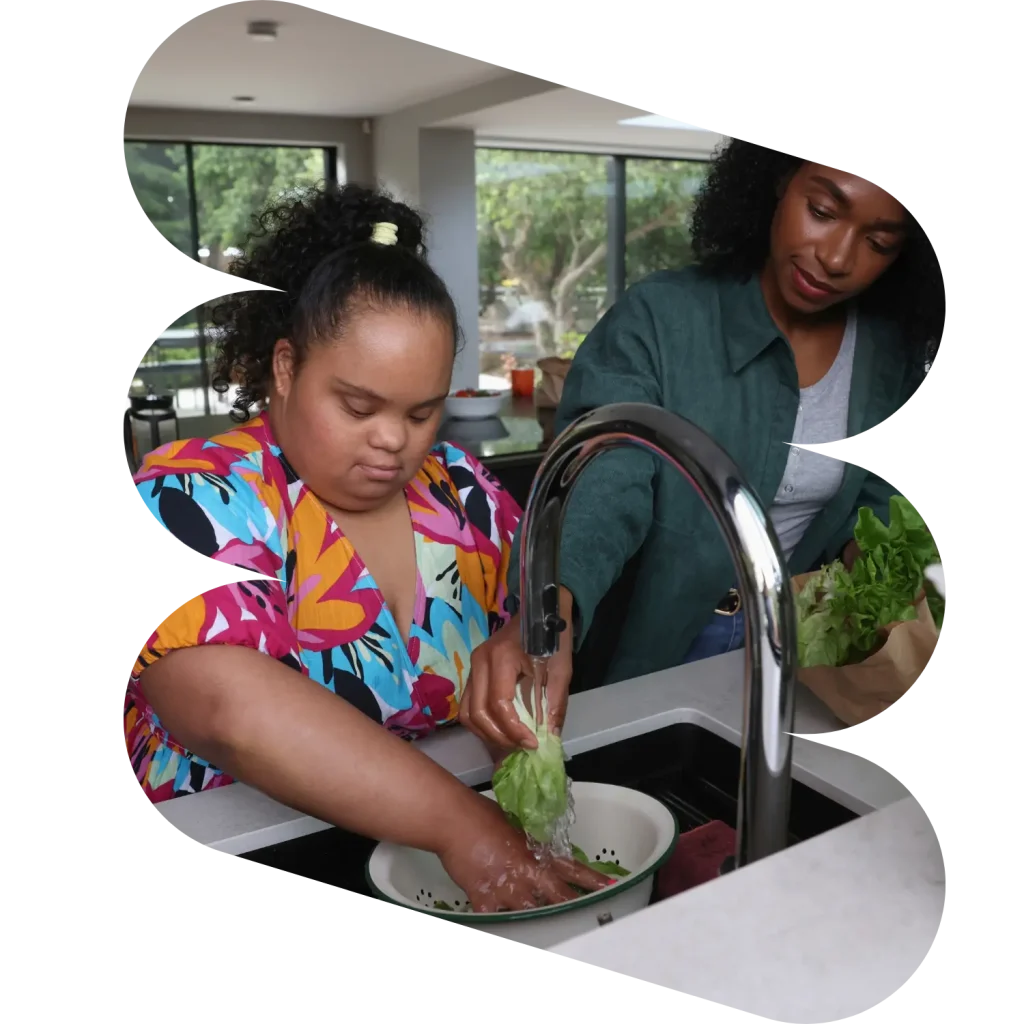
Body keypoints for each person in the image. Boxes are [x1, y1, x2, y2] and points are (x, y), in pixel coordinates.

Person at [123, 183, 610, 911]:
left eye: (422, 411)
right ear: (285, 368)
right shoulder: (194, 496)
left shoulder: (463, 491)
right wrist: (460, 828)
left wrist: (542, 627)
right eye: (358, 406)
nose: (393, 440)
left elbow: (543, 588)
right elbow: (230, 711)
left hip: (412, 854)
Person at [462, 137, 950, 753]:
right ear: (777, 179)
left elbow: (880, 505)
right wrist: (547, 618)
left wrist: (875, 590)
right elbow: (603, 479)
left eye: (879, 243)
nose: (836, 257)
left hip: (796, 665)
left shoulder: (891, 354)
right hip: (648, 651)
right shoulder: (662, 318)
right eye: (822, 211)